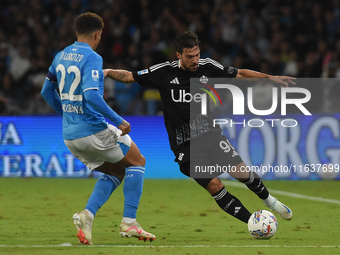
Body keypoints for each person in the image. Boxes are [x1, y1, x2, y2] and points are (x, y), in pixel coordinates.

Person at [103, 31, 294, 228]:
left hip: (210, 135)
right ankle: (254, 223)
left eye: (197, 55)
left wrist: (269, 78)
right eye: (190, 57)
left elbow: (239, 73)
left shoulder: (208, 67)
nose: (195, 60)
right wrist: (108, 72)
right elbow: (130, 76)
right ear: (178, 55)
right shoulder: (164, 72)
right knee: (215, 185)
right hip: (184, 145)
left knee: (242, 172)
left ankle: (270, 201)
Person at [40, 12, 156, 244]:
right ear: (97, 34)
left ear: (76, 32)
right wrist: (119, 120)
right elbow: (92, 96)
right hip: (93, 131)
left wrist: (69, 115)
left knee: (116, 171)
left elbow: (46, 92)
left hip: (70, 136)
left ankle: (87, 216)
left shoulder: (60, 56)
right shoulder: (92, 57)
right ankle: (129, 223)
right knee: (137, 162)